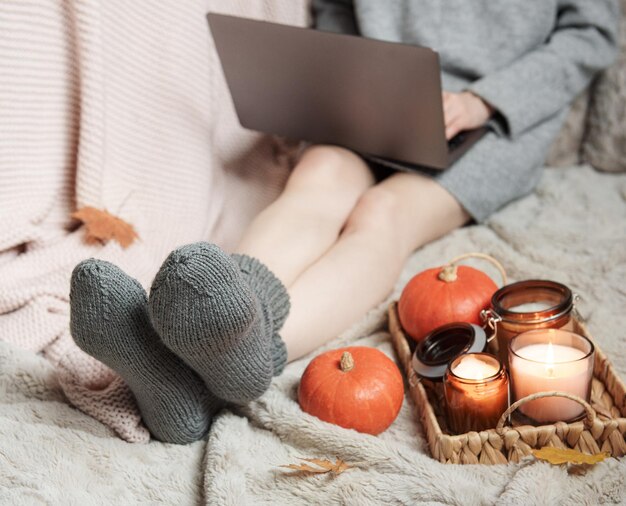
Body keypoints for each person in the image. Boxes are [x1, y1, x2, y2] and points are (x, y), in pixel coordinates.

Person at [68, 0, 619, 443]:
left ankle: (211, 368)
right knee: (319, 181)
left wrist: (484, 101)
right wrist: (346, 81)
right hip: (372, 97)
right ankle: (200, 361)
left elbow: (591, 31)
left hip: (494, 123)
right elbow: (334, 11)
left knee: (384, 213)